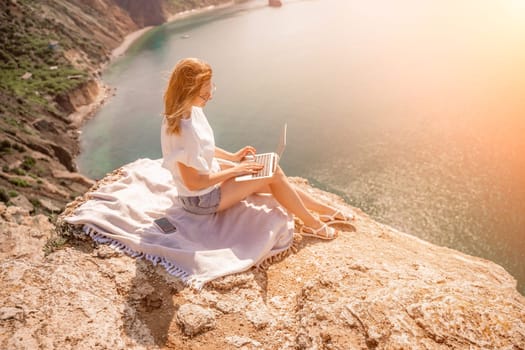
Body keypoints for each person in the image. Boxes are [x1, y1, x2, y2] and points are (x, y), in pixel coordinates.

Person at [161, 58, 353, 239]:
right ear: (189, 90)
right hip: (201, 200)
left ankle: (324, 211)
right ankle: (313, 223)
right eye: (204, 93)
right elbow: (194, 183)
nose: (210, 96)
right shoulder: (183, 133)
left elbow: (203, 147)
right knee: (272, 174)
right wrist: (236, 170)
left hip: (209, 182)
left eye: (211, 88)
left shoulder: (192, 112)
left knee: (267, 171)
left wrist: (233, 157)